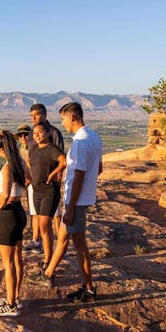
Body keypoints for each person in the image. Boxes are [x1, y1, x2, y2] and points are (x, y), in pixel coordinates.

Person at [34, 102, 103, 301]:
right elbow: (98, 169)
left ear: (72, 117)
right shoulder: (94, 137)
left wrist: (71, 207)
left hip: (77, 203)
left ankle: (89, 289)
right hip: (81, 199)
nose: (62, 123)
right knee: (62, 237)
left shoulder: (80, 142)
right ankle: (47, 275)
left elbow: (80, 176)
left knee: (81, 247)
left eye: (63, 118)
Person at [0, 131, 30, 317]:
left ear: (1, 149)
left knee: (8, 263)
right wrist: (17, 193)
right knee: (17, 259)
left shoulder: (7, 168)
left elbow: (4, 194)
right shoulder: (20, 162)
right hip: (19, 211)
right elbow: (28, 179)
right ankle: (15, 297)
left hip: (9, 214)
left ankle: (10, 304)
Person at [24, 104, 65, 255]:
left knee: (52, 218)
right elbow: (30, 157)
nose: (33, 118)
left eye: (36, 115)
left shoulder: (53, 132)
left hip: (50, 186)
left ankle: (56, 248)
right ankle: (37, 242)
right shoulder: (31, 134)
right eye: (31, 115)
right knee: (37, 217)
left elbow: (61, 158)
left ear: (45, 115)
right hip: (36, 185)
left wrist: (55, 176)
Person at [15, 124, 40, 251]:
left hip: (35, 183)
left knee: (36, 212)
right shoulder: (21, 149)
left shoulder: (35, 148)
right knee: (33, 212)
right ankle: (36, 238)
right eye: (20, 135)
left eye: (26, 134)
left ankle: (37, 240)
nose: (23, 137)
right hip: (29, 183)